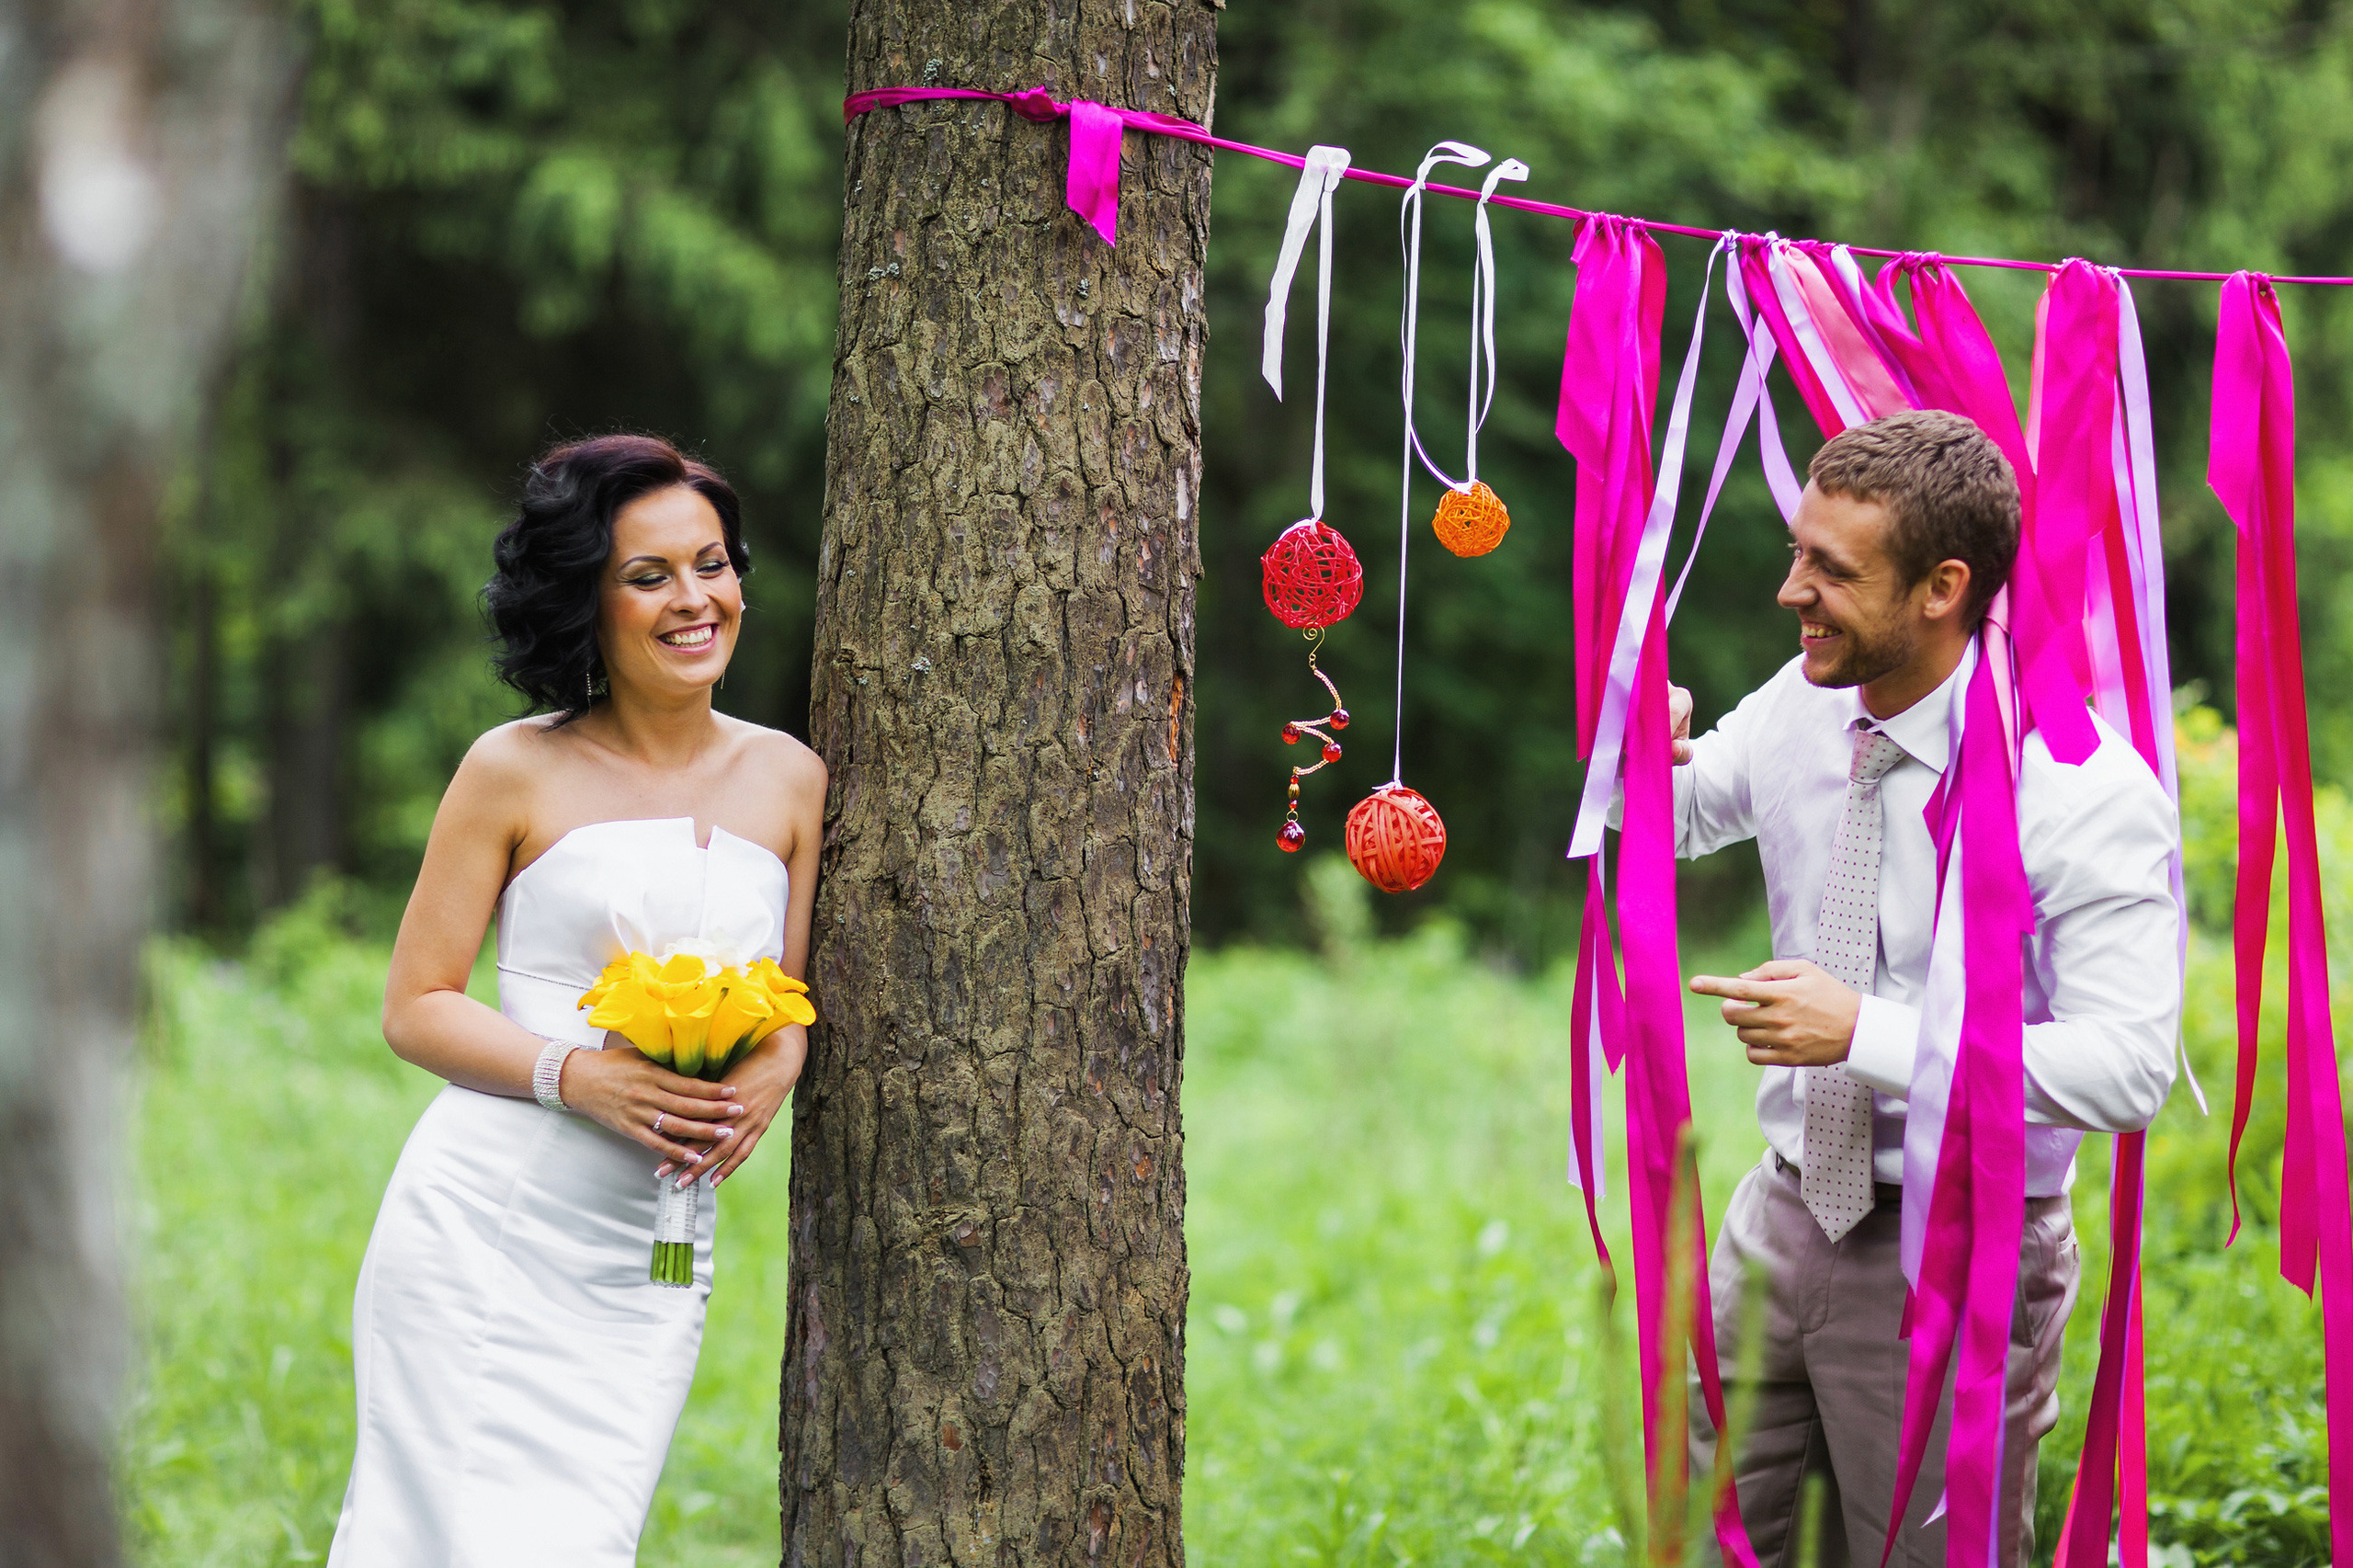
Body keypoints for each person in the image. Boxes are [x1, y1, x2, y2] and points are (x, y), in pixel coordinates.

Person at [1668, 410, 2178, 1565]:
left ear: (1943, 586)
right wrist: (1643, 757)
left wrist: (1868, 1033)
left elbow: (2131, 1067)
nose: (1790, 590)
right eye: (1798, 551)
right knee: (1706, 1540)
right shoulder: (1807, 696)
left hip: (1956, 1251)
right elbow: (1687, 813)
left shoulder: (2081, 790)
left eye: (1831, 570)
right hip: (1777, 1215)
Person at [325, 434, 826, 1567]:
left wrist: (782, 1058)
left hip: (651, 1246)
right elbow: (415, 1003)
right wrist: (578, 1072)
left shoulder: (793, 779)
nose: (694, 599)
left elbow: (788, 994)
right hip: (484, 1224)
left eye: (712, 563)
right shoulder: (513, 768)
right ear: (584, 602)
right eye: (648, 576)